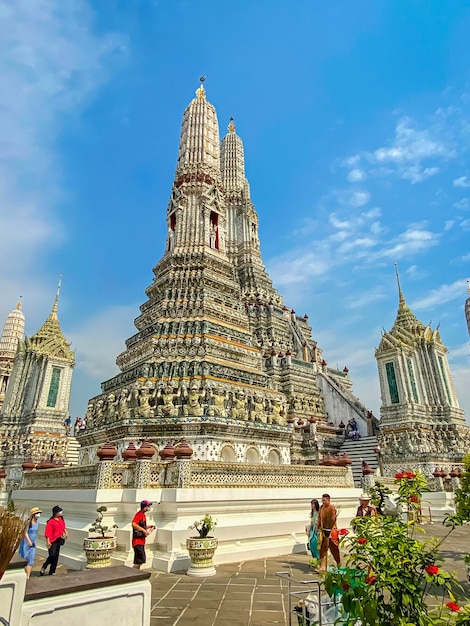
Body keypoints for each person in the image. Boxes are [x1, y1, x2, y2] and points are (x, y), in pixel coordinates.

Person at [40, 505, 68, 576]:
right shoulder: (51, 522)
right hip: (52, 540)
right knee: (52, 555)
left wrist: (65, 532)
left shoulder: (61, 519)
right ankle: (44, 566)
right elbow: (48, 532)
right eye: (59, 511)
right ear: (55, 513)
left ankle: (52, 571)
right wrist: (48, 541)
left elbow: (63, 526)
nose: (61, 513)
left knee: (56, 556)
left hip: (59, 539)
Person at [316, 493, 340, 571]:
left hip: (331, 531)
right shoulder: (321, 508)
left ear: (328, 500)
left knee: (334, 549)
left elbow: (333, 519)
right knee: (322, 549)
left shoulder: (332, 508)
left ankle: (338, 564)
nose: (323, 502)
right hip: (323, 531)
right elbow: (319, 518)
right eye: (322, 500)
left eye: (324, 500)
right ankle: (323, 566)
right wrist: (318, 527)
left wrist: (330, 530)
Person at [131, 500, 156, 569]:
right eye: (148, 506)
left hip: (141, 541)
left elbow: (141, 526)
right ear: (144, 507)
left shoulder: (143, 515)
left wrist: (149, 527)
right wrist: (144, 530)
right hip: (137, 542)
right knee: (139, 561)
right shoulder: (139, 515)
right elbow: (134, 524)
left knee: (140, 561)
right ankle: (132, 573)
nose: (149, 508)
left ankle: (135, 574)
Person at [19, 507, 42, 578]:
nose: (38, 515)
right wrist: (28, 540)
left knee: (31, 559)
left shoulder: (38, 522)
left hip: (33, 542)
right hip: (26, 542)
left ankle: (28, 576)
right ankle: (21, 573)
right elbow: (24, 532)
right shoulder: (28, 522)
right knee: (24, 558)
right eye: (37, 513)